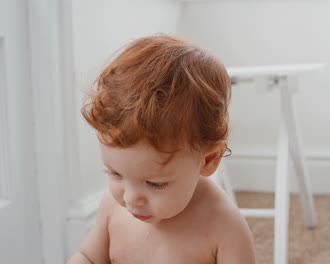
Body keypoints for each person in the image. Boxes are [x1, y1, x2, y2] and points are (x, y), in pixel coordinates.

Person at [67, 34, 256, 264]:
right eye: (116, 174)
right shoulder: (112, 206)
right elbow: (89, 257)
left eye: (155, 183)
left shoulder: (224, 225)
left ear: (208, 160)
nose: (131, 198)